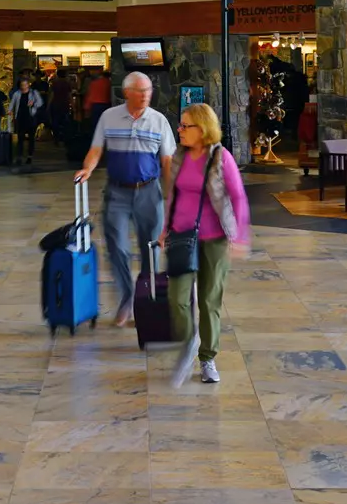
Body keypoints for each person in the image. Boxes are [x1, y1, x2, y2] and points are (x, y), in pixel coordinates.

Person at [77, 71, 176, 327]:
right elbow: (96, 148)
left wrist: (170, 195)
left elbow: (166, 161)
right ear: (126, 92)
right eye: (140, 91)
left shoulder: (159, 121)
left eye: (148, 91)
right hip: (117, 192)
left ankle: (146, 301)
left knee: (151, 248)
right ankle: (127, 296)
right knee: (117, 247)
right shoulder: (109, 117)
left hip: (149, 191)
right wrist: (87, 168)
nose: (145, 96)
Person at [161, 101, 250, 386]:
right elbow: (171, 196)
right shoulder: (179, 156)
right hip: (181, 237)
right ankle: (188, 344)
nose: (180, 130)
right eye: (180, 125)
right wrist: (164, 229)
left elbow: (237, 197)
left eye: (186, 126)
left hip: (214, 239)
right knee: (177, 298)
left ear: (203, 129)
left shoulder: (220, 157)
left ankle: (207, 358)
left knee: (210, 300)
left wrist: (239, 236)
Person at [10, 77, 45, 164]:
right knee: (20, 138)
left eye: (25, 84)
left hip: (30, 117)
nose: (24, 87)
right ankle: (19, 156)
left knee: (31, 138)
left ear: (28, 85)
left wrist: (34, 104)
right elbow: (13, 102)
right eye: (22, 85)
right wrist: (10, 111)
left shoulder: (33, 93)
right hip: (20, 118)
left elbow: (40, 102)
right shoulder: (17, 94)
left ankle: (29, 156)